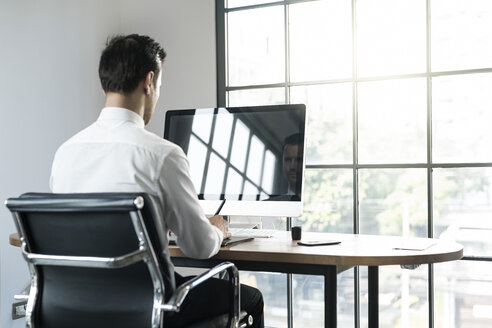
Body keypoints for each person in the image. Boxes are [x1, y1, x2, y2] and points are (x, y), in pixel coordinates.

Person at [50, 34, 264, 327]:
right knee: (250, 297)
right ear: (149, 81)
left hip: (77, 304)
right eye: (159, 86)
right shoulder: (162, 155)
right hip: (151, 305)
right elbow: (198, 247)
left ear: (105, 84)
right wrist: (216, 229)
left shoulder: (65, 153)